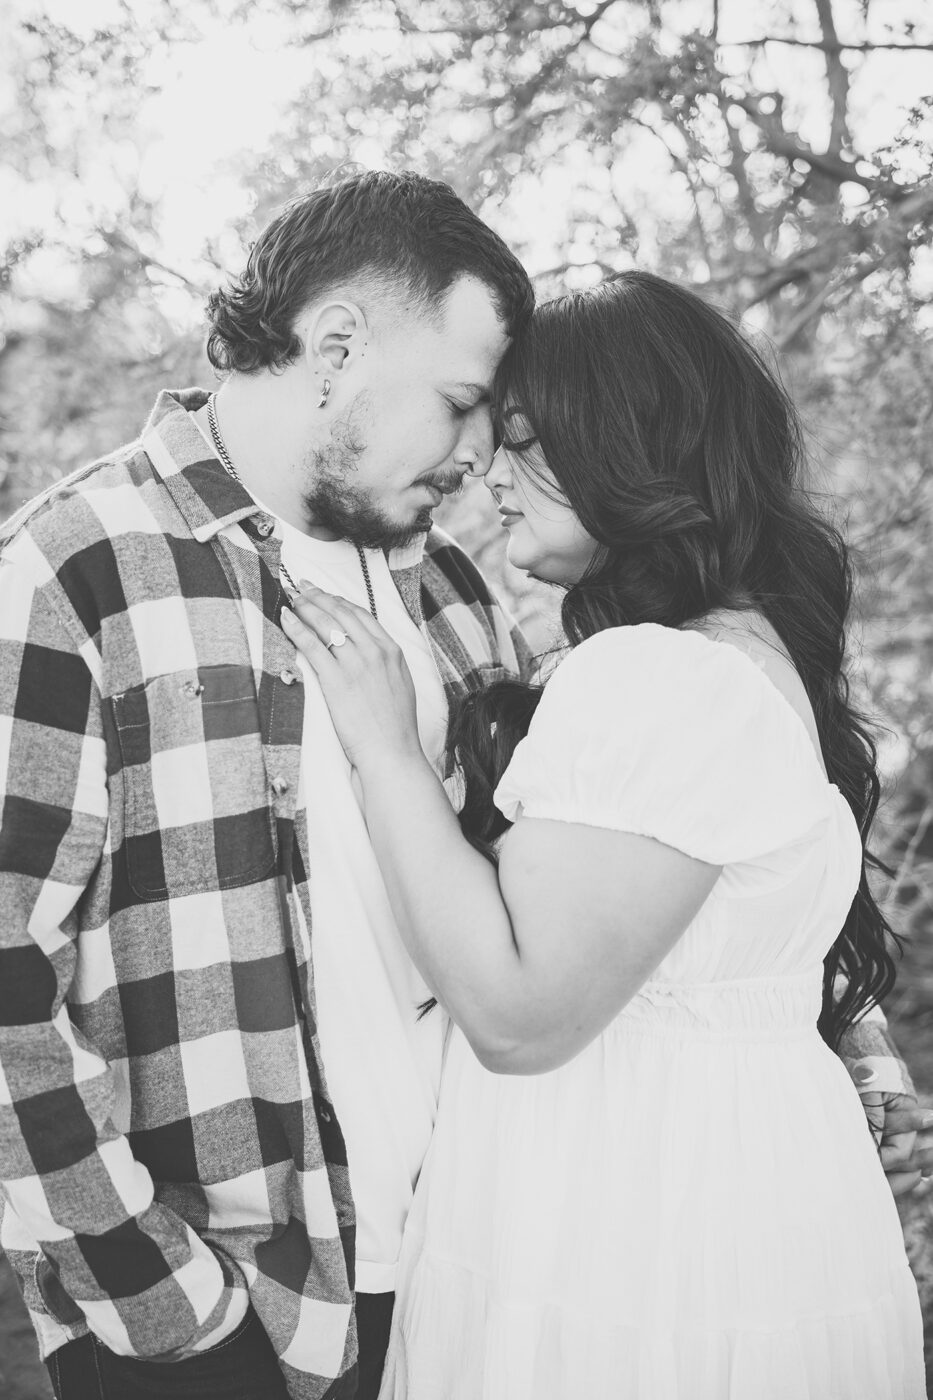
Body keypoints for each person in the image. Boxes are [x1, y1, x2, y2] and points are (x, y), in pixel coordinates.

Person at [282, 272, 928, 1398]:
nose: (486, 471)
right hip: (743, 1200)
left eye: (525, 440)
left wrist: (387, 751)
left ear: (633, 451)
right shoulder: (748, 653)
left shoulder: (659, 674)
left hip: (632, 1224)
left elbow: (521, 1014)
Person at [0, 170, 534, 1400]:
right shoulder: (72, 571)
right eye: (459, 403)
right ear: (338, 343)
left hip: (473, 1274)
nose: (472, 455)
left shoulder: (453, 594)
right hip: (221, 1323)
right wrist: (160, 1299)